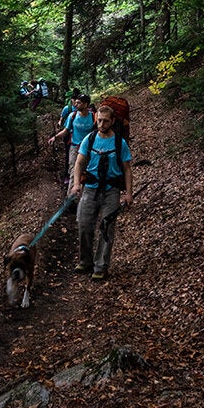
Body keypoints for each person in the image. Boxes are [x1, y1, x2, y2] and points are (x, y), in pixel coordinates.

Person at [70, 104, 133, 280]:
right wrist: (76, 184)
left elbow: (127, 169)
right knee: (83, 224)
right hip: (90, 190)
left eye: (106, 121)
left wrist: (129, 193)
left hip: (111, 191)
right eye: (99, 120)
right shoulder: (89, 140)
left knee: (106, 229)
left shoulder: (120, 143)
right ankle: (85, 261)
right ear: (96, 119)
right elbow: (79, 163)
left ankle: (100, 267)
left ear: (112, 121)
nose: (102, 124)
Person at [49, 93, 95, 192]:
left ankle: (86, 196)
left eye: (79, 103)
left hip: (90, 149)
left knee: (89, 171)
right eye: (76, 102)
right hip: (75, 147)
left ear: (86, 104)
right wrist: (55, 137)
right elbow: (66, 130)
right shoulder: (72, 116)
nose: (75, 105)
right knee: (74, 171)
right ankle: (72, 197)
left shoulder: (93, 117)